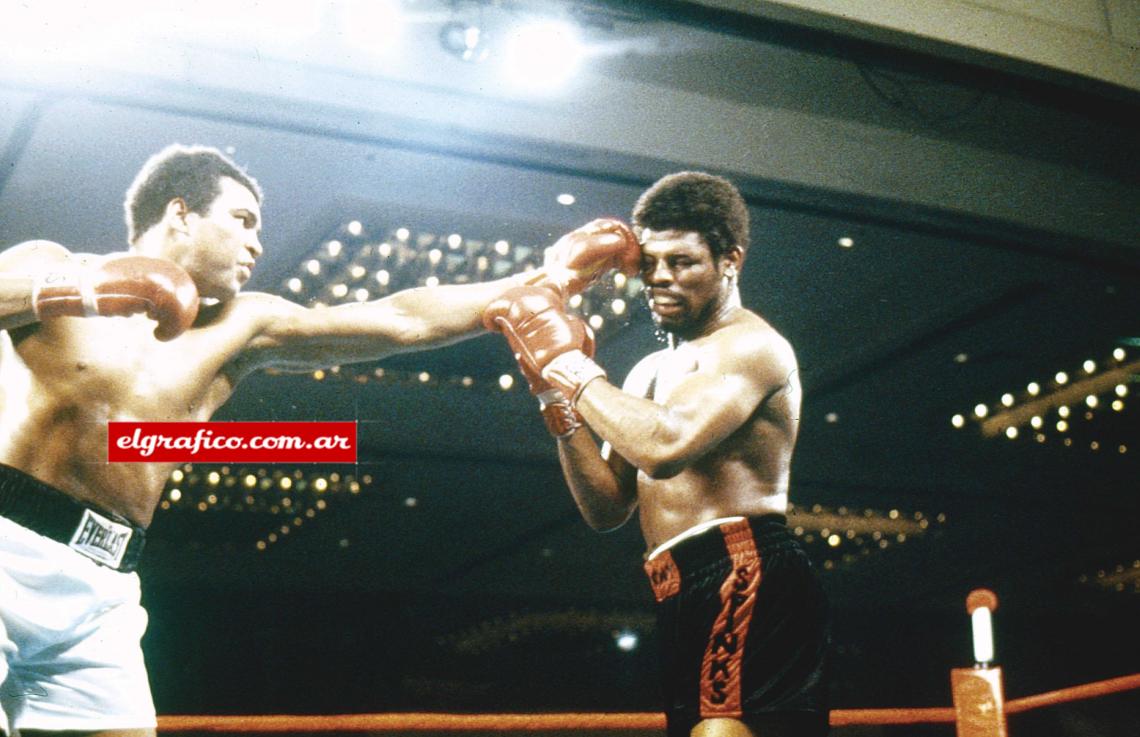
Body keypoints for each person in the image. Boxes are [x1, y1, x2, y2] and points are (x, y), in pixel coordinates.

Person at [0, 143, 639, 737]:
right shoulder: (52, 265)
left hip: (105, 586)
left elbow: (399, 318)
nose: (257, 242)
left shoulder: (244, 323)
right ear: (181, 213)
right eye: (243, 220)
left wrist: (542, 280)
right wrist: (82, 292)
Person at [484, 172, 830, 736]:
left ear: (729, 261)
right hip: (675, 585)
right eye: (649, 264)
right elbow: (607, 506)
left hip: (746, 569)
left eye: (682, 262)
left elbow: (664, 447)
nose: (659, 277)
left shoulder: (752, 346)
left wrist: (569, 368)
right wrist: (554, 398)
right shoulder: (648, 371)